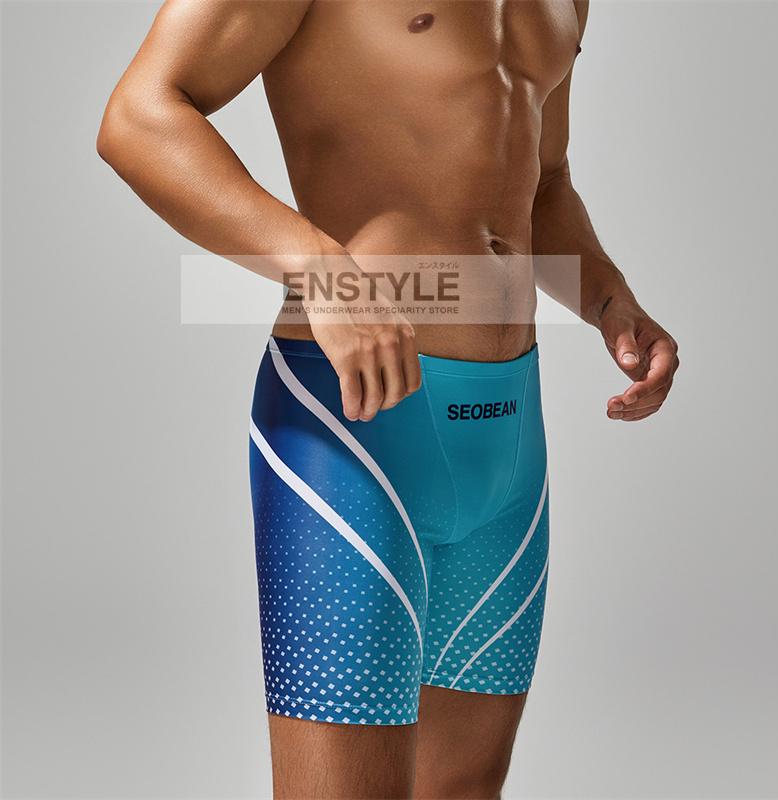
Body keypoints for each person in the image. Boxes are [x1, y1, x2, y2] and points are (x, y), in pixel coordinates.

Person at [97, 1, 679, 797]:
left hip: (507, 436)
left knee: (462, 789)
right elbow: (138, 115)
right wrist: (319, 268)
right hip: (351, 427)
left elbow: (544, 180)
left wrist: (611, 300)